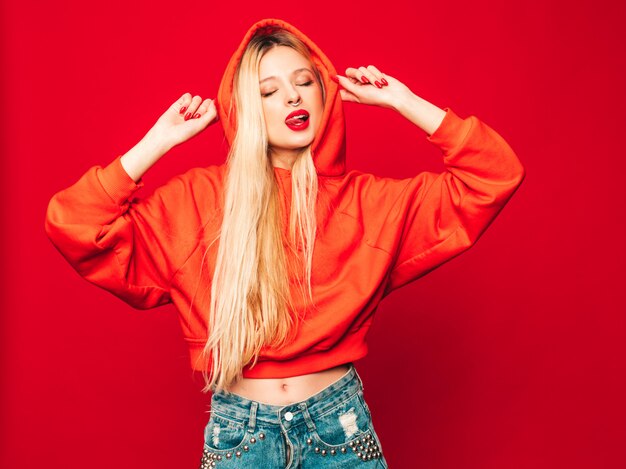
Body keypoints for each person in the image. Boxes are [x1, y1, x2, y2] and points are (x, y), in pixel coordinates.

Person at [44, 17, 525, 469]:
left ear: (325, 92)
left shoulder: (370, 204)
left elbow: (495, 176)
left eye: (305, 81)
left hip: (340, 429)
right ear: (246, 109)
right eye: (269, 91)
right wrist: (157, 141)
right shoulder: (198, 201)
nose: (293, 97)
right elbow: (74, 224)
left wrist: (405, 102)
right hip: (239, 437)